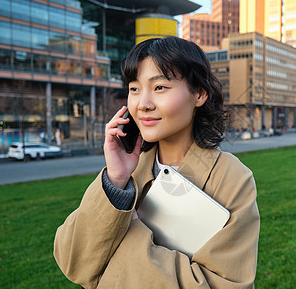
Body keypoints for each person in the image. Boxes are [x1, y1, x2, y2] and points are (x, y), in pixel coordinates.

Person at [53, 37, 260, 288]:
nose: (143, 104)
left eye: (160, 87)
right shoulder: (128, 173)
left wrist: (128, 231)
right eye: (134, 89)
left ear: (199, 94)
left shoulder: (231, 178)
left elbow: (227, 283)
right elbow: (73, 263)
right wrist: (116, 181)